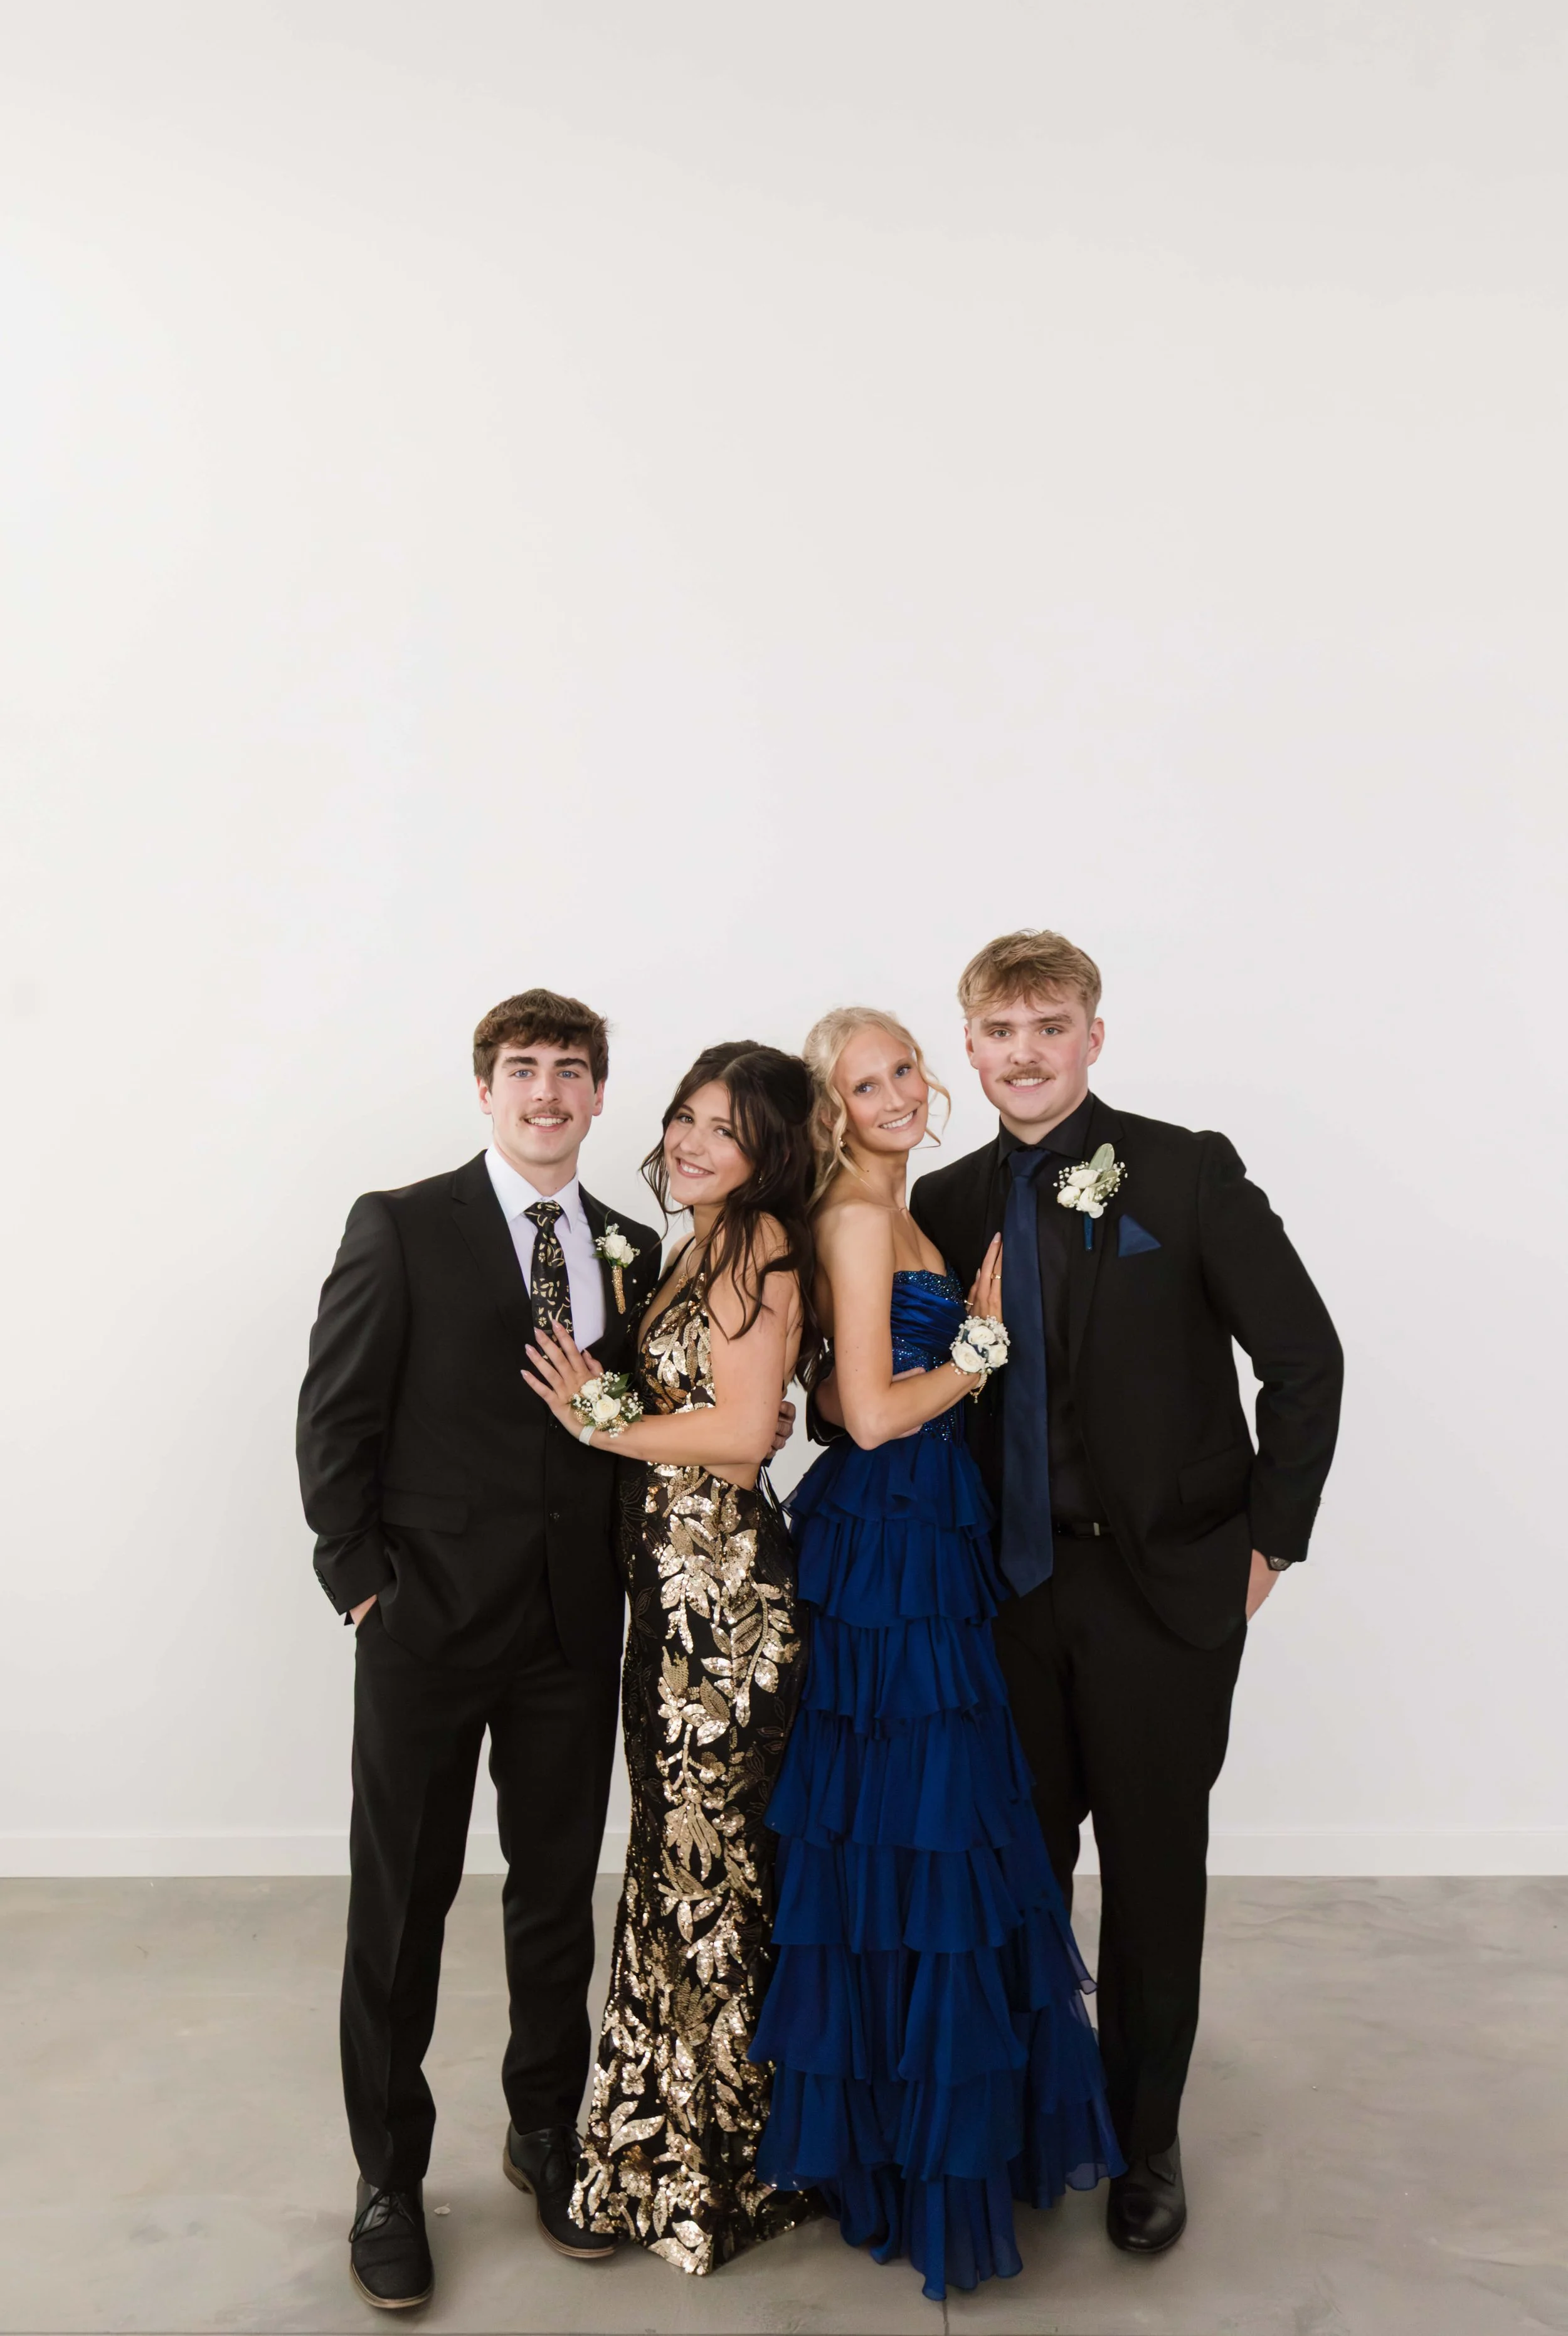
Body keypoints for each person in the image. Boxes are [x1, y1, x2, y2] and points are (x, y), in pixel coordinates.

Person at [908, 929, 1344, 2254]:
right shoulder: (942, 1197)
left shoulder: (1182, 1168)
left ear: (1092, 1038)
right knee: (1016, 1870)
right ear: (969, 1046)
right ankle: (1040, 2112)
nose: (1024, 1053)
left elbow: (1304, 1358)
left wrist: (1269, 1546)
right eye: (999, 1031)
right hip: (1004, 1593)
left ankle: (1146, 2137)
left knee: (1154, 1876)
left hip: (1163, 1591)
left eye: (1049, 1027)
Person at [295, 989, 667, 2310]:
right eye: (522, 1068)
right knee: (400, 1907)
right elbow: (335, 1413)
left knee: (554, 1897)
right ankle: (388, 2178)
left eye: (570, 1069)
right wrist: (361, 1585)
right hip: (426, 1627)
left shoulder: (633, 1244)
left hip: (572, 1628)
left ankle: (546, 2132)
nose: (546, 1091)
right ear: (484, 1088)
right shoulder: (400, 1225)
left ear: (599, 1093)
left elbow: (633, 1425)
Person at [749, 1007, 1121, 2303]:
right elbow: (864, 1413)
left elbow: (848, 1388)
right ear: (831, 1109)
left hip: (924, 1532)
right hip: (891, 1541)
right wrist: (979, 1350)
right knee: (917, 1824)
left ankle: (935, 2120)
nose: (899, 1092)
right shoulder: (860, 1218)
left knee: (930, 1825)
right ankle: (913, 2150)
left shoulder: (897, 1208)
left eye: (905, 1065)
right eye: (867, 1083)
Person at [521, 1042, 823, 2277]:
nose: (693, 1142)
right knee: (676, 1863)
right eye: (687, 1116)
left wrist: (598, 1420)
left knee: (704, 1875)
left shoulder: (755, 1241)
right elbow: (734, 1406)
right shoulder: (692, 1242)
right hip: (673, 1594)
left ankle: (718, 2172)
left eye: (726, 1129)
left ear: (769, 1153)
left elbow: (745, 1433)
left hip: (722, 1608)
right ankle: (668, 2148)